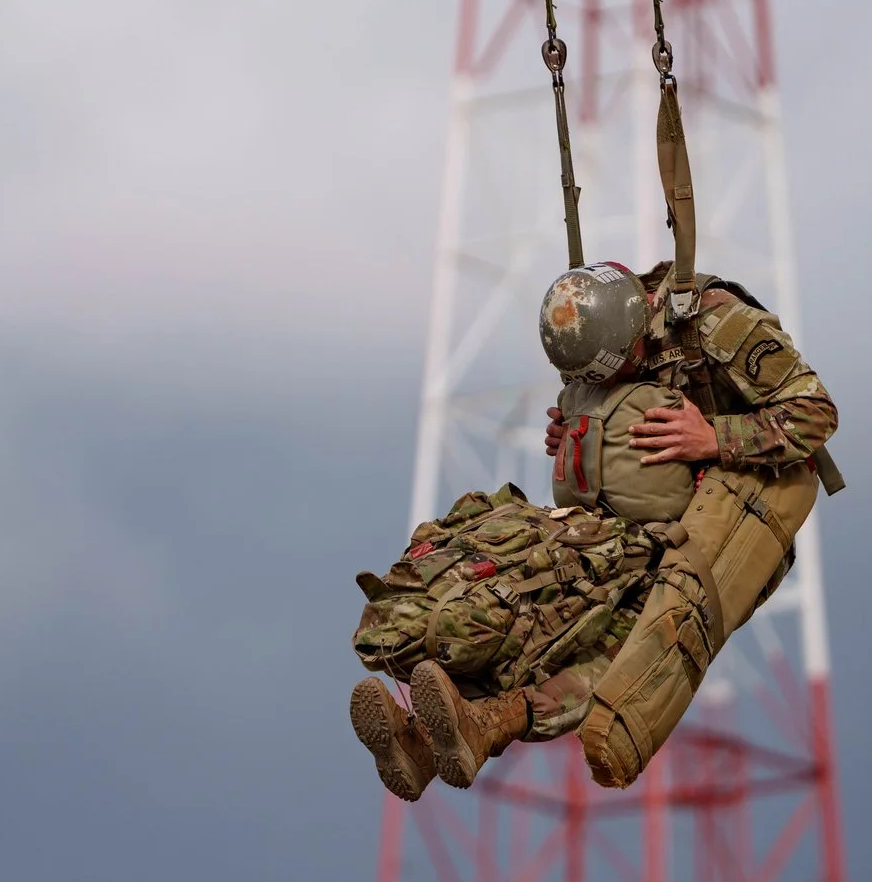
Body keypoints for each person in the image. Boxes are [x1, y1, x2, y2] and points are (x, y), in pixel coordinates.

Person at [351, 260, 839, 800]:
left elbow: (815, 414)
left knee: (635, 636)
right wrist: (581, 435)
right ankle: (433, 735)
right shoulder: (587, 331)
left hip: (736, 509)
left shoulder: (717, 322)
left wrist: (715, 437)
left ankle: (488, 724)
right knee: (548, 606)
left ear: (634, 338)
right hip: (627, 521)